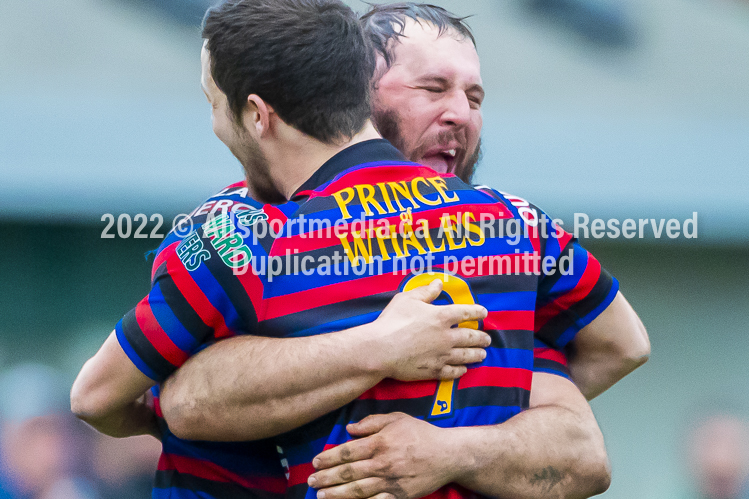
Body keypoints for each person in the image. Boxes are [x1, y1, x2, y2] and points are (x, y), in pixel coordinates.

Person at [71, 1, 641, 498]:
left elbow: (600, 410)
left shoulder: (509, 231)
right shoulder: (241, 231)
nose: (461, 114)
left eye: (475, 96)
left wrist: (456, 441)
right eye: (433, 88)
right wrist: (382, 349)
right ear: (355, 90)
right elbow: (184, 400)